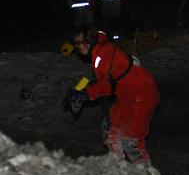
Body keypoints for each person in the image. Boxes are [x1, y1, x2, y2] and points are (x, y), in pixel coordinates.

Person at [65, 27, 160, 164]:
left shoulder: (104, 54)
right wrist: (82, 91)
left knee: (130, 140)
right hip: (126, 94)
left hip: (141, 94)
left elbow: (107, 85)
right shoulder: (100, 51)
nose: (76, 47)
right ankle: (118, 169)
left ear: (88, 42)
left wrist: (86, 93)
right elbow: (109, 80)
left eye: (77, 43)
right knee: (111, 133)